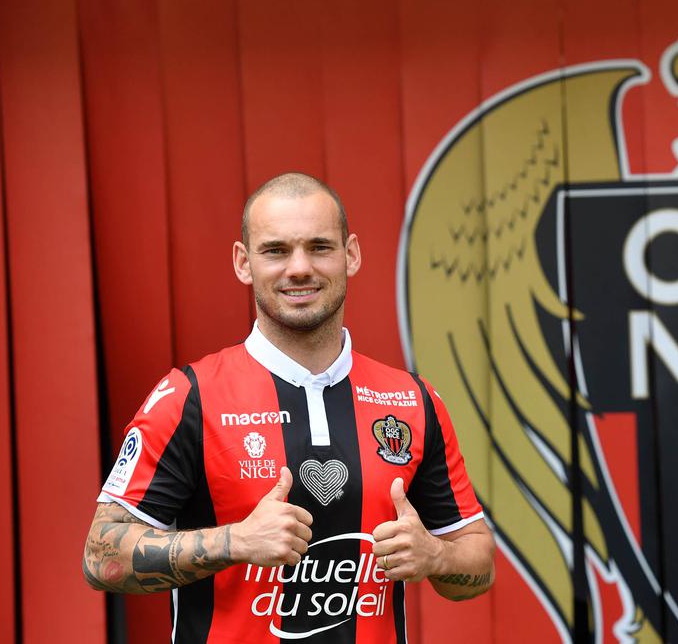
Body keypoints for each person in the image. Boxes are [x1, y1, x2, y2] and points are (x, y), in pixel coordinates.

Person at [82, 172, 494, 642]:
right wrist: (234, 541)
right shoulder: (188, 397)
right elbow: (100, 557)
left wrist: (436, 557)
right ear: (243, 262)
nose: (299, 268)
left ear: (351, 254)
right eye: (276, 250)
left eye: (319, 247)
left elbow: (477, 558)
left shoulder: (413, 401)